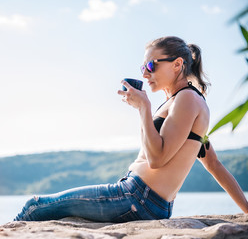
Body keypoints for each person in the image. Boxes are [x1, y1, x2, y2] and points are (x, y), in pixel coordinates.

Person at [14, 36, 248, 222]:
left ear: (177, 65)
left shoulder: (186, 99)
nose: (145, 73)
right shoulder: (185, 102)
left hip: (137, 197)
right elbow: (213, 163)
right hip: (147, 201)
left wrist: (144, 108)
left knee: (34, 206)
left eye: (151, 65)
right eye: (143, 67)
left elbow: (157, 159)